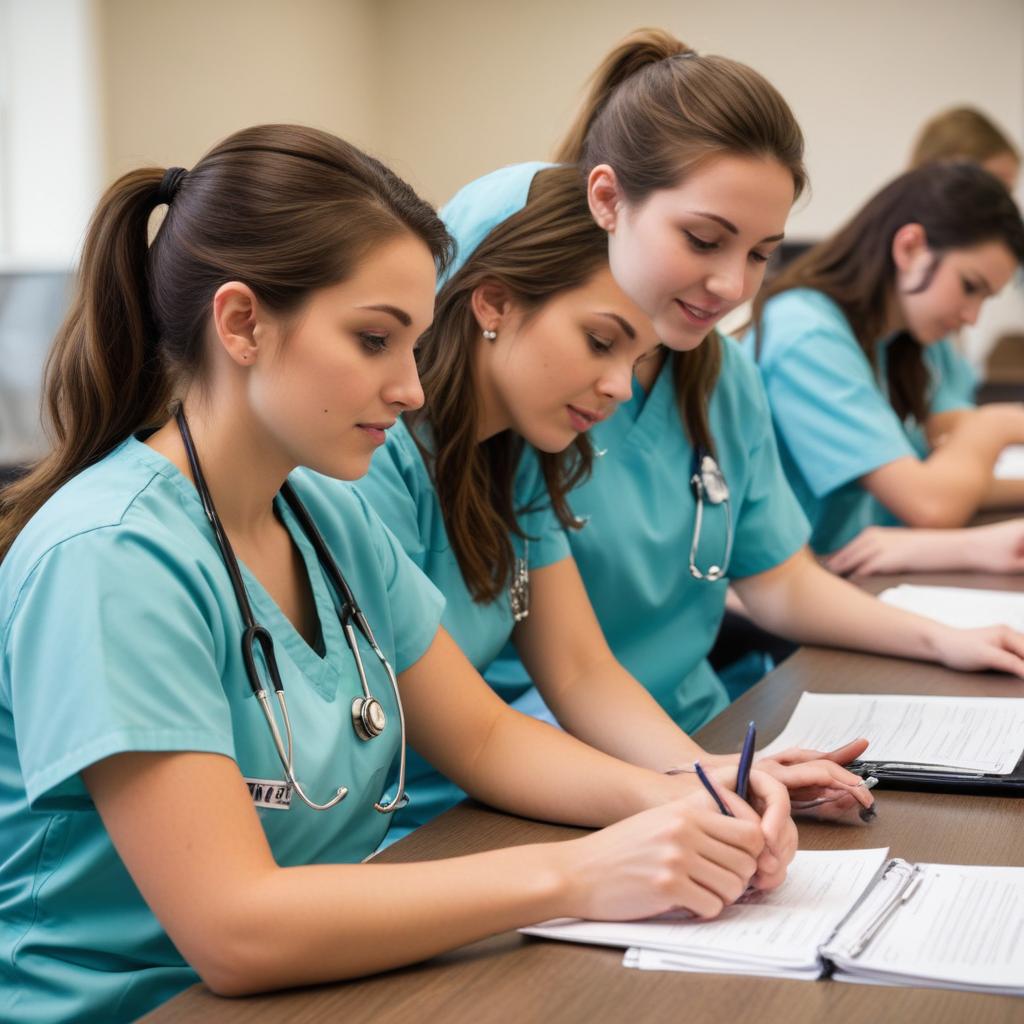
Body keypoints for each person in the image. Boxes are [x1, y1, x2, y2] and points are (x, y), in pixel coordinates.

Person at [0, 125, 809, 1024]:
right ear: (241, 323)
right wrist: (582, 873)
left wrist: (690, 803)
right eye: (375, 340)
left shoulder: (326, 517)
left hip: (326, 982)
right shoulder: (112, 556)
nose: (412, 389)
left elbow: (486, 741)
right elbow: (233, 928)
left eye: (414, 345)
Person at [354, 161, 872, 836]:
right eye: (600, 342)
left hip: (484, 808)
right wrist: (689, 797)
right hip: (405, 828)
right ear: (495, 302)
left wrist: (709, 777)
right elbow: (475, 736)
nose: (622, 389)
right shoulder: (374, 459)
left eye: (636, 358)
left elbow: (580, 670)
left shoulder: (512, 458)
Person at [748, 161, 1024, 555]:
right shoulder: (808, 334)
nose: (972, 317)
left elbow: (952, 483)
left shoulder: (890, 341)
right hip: (796, 590)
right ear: (909, 247)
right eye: (969, 287)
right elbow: (931, 504)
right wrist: (995, 424)